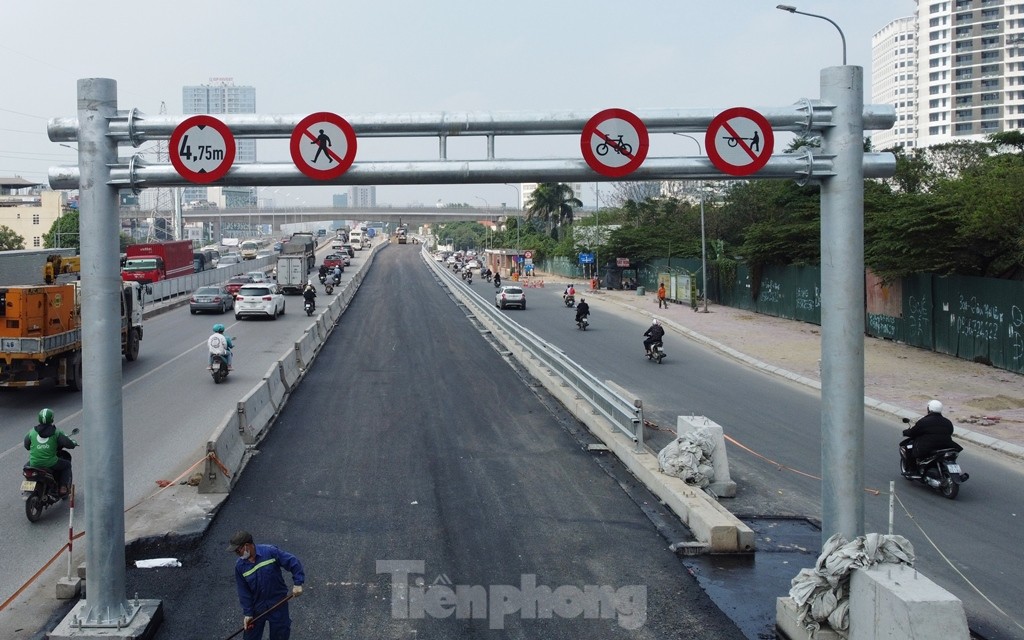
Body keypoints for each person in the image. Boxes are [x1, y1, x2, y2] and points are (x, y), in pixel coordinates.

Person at [228, 530, 305, 640]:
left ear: (246, 546)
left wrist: (298, 583)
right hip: (257, 607)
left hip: (278, 603)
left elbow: (293, 562)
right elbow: (243, 591)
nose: (237, 554)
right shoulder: (240, 566)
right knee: (250, 637)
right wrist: (248, 613)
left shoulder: (270, 552)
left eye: (238, 550)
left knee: (280, 635)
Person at [24, 408, 78, 495]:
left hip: (34, 463)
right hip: (51, 463)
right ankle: (63, 487)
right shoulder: (56, 432)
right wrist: (74, 443)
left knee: (26, 468)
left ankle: (29, 485)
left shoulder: (32, 432)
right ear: (52, 419)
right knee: (67, 465)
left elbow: (26, 445)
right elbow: (68, 444)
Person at [901, 400, 960, 471]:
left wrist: (906, 432)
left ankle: (911, 470)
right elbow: (950, 432)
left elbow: (913, 432)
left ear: (929, 409)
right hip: (946, 445)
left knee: (908, 447)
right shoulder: (947, 422)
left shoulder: (924, 421)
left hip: (928, 447)